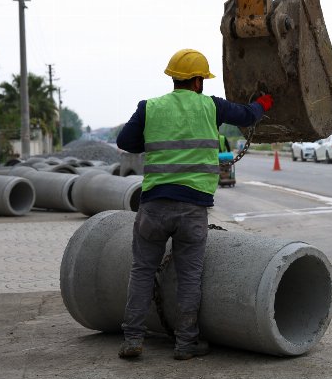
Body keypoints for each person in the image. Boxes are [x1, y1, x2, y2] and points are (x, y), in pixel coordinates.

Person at [116, 48, 273, 360]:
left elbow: (125, 142)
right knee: (189, 277)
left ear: (174, 78)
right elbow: (248, 115)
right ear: (199, 81)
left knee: (142, 271)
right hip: (192, 209)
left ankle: (133, 338)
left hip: (154, 205)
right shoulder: (211, 107)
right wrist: (265, 102)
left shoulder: (149, 108)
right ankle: (186, 344)